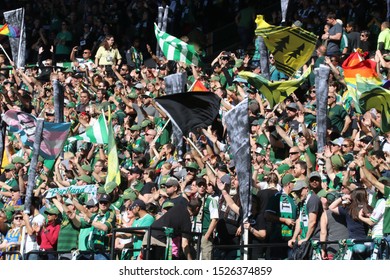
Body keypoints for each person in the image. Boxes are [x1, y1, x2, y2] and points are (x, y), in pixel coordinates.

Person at [265, 174, 297, 259]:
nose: (295, 185)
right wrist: (284, 220)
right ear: (289, 184)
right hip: (277, 238)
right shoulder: (276, 197)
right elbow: (267, 215)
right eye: (293, 183)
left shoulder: (293, 199)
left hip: (291, 238)